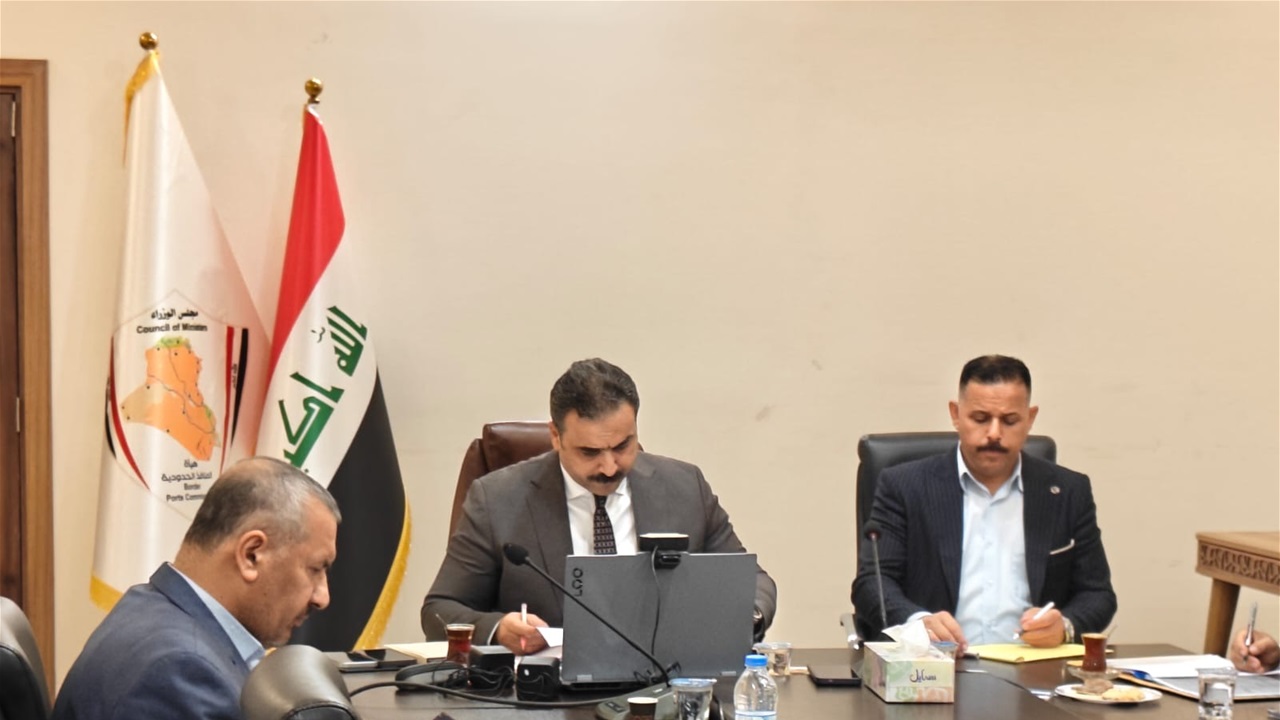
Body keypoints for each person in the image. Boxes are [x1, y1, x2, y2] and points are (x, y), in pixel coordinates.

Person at [423, 358, 777, 654]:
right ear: (556, 436)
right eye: (590, 452)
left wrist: (744, 618)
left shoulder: (684, 487)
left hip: (666, 684)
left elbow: (752, 581)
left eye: (623, 446)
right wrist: (499, 628)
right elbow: (439, 609)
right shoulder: (498, 499)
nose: (609, 467)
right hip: (548, 695)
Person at [851, 354, 1116, 651]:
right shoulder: (904, 486)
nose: (994, 434)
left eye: (1010, 421)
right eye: (980, 419)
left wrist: (1065, 626)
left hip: (1033, 667)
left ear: (1030, 419)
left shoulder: (1067, 491)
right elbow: (872, 583)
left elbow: (1098, 595)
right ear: (955, 414)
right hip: (934, 665)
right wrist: (918, 623)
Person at [53, 457, 340, 720]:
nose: (322, 597)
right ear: (252, 555)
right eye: (315, 569)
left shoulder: (149, 607)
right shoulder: (180, 672)